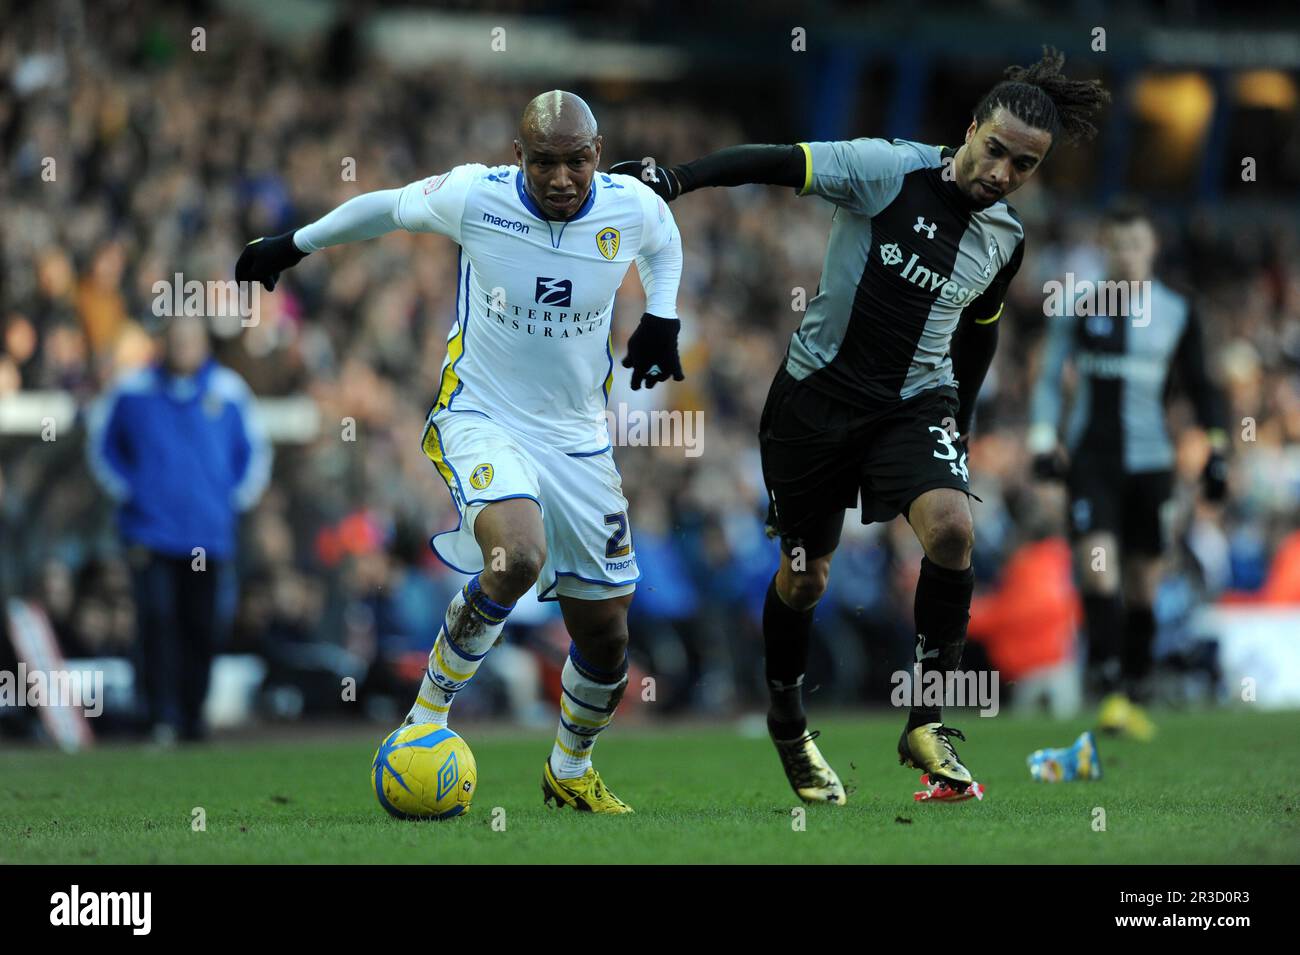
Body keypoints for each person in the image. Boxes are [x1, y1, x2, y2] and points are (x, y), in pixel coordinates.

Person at [616, 47, 1109, 801]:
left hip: (914, 406)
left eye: (1025, 166)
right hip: (813, 405)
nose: (1005, 173)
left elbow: (980, 331)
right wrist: (678, 180)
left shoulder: (1004, 238)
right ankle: (787, 717)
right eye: (997, 151)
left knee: (952, 530)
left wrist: (964, 423)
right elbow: (781, 161)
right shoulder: (887, 170)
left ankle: (926, 719)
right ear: (971, 129)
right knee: (807, 579)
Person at [237, 90, 683, 813]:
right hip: (483, 416)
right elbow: (383, 205)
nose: (562, 178)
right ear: (519, 157)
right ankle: (425, 717)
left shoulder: (630, 206)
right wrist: (293, 244)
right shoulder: (477, 196)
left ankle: (569, 768)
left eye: (575, 162)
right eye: (544, 163)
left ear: (596, 155)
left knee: (606, 633)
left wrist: (662, 317)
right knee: (518, 554)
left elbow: (666, 240)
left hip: (578, 440)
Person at [1028, 199, 1228, 739]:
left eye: (1137, 245)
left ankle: (1134, 688)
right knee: (1098, 568)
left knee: (1143, 583)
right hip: (1092, 460)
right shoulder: (1079, 304)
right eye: (1118, 245)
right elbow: (1049, 377)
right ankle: (1110, 687)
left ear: (1152, 249)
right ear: (1106, 249)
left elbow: (1203, 387)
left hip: (1152, 464)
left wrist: (1217, 448)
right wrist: (1044, 439)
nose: (1128, 255)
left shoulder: (1177, 311)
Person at [86, 316, 271, 742]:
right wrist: (132, 493)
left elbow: (254, 454)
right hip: (149, 533)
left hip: (209, 535)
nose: (184, 347)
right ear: (164, 343)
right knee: (155, 620)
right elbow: (102, 447)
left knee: (201, 624)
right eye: (177, 339)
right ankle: (158, 714)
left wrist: (229, 502)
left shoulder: (229, 391)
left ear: (204, 343)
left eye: (191, 340)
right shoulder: (131, 390)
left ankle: (191, 716)